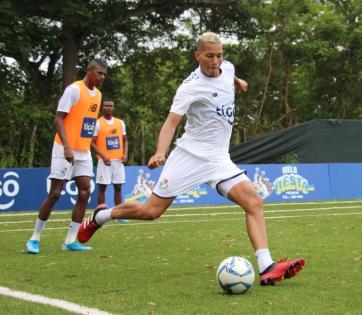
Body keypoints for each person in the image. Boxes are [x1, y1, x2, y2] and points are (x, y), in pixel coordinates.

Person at [78, 32, 304, 285]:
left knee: (253, 202)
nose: (215, 61)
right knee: (150, 212)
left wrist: (238, 83)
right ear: (198, 56)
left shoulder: (227, 69)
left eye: (219, 55)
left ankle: (267, 267)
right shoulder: (190, 87)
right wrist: (160, 152)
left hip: (218, 160)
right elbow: (171, 123)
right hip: (189, 157)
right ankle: (101, 216)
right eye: (209, 56)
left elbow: (229, 77)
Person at [26, 59, 107, 254]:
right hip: (64, 148)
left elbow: (88, 123)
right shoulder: (74, 90)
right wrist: (68, 147)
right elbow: (59, 118)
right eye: (99, 73)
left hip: (83, 151)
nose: (102, 77)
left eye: (104, 74)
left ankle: (70, 241)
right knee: (55, 193)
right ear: (89, 71)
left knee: (85, 192)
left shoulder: (98, 95)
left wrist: (87, 147)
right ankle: (34, 238)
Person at [90, 99, 129, 222]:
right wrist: (103, 156)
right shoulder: (97, 123)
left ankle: (119, 215)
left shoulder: (120, 123)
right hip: (104, 161)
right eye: (106, 106)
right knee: (102, 188)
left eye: (110, 106)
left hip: (118, 161)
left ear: (113, 108)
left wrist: (125, 154)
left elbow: (125, 140)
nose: (108, 108)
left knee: (118, 187)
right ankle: (100, 215)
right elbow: (92, 143)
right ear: (103, 108)